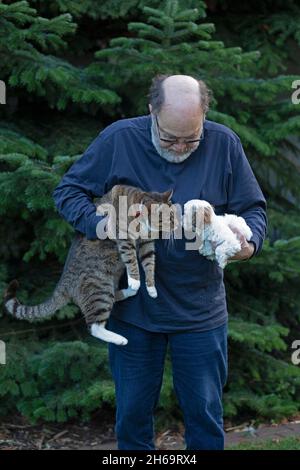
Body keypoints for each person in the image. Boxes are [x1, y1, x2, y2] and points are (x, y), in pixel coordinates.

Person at [52, 74, 267, 450]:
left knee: (204, 415)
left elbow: (253, 210)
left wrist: (250, 245)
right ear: (151, 111)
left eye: (191, 138)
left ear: (204, 116)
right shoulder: (119, 139)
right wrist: (100, 224)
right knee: (133, 416)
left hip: (199, 308)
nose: (181, 147)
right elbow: (68, 191)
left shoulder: (224, 143)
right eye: (170, 138)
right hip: (133, 310)